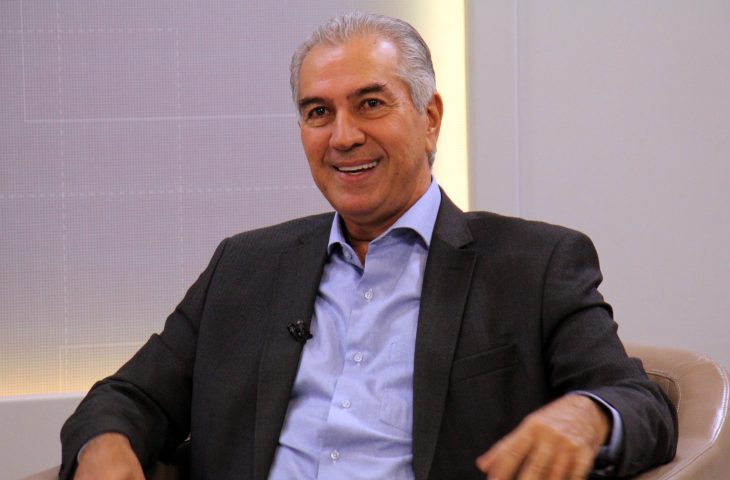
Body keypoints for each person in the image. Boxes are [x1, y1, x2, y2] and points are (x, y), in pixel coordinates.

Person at [60, 12, 677, 480]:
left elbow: (642, 403)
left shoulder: (534, 265)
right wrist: (106, 445)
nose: (343, 136)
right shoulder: (243, 266)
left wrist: (587, 414)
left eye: (371, 104)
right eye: (318, 112)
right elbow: (128, 396)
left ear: (429, 117)